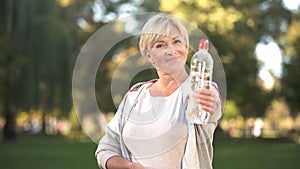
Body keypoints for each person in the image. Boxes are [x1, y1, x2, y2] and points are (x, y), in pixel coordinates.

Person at [95, 14, 222, 169]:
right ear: (149, 55)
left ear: (186, 48)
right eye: (160, 45)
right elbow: (105, 149)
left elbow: (210, 107)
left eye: (176, 41)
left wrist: (209, 104)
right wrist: (129, 166)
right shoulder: (135, 96)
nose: (171, 50)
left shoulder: (200, 90)